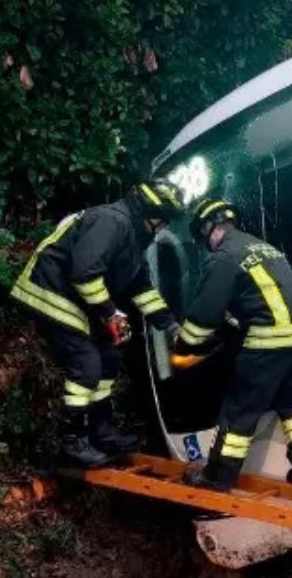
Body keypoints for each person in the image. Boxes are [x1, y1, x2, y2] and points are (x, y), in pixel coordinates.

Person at [10, 181, 184, 467]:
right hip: (49, 291)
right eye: (163, 219)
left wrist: (170, 326)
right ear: (149, 211)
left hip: (77, 299)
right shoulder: (111, 222)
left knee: (110, 356)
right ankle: (72, 441)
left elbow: (140, 288)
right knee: (86, 361)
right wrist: (110, 313)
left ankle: (102, 431)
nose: (164, 226)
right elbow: (84, 274)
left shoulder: (135, 235)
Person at [171, 198, 292, 493]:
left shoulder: (224, 256)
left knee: (240, 411)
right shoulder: (262, 246)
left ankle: (217, 477)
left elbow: (205, 314)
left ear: (208, 227)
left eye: (204, 237)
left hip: (272, 339)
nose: (206, 243)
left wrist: (184, 344)